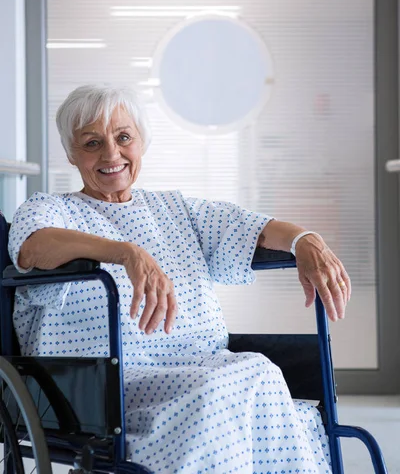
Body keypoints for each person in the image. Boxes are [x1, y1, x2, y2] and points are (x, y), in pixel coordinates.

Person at [9, 85, 350, 474]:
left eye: (123, 137)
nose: (111, 154)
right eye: (91, 142)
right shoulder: (52, 209)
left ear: (141, 143)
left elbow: (250, 226)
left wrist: (305, 241)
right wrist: (125, 252)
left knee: (256, 372)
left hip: (199, 367)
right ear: (71, 154)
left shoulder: (175, 209)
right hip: (104, 383)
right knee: (242, 378)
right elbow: (32, 248)